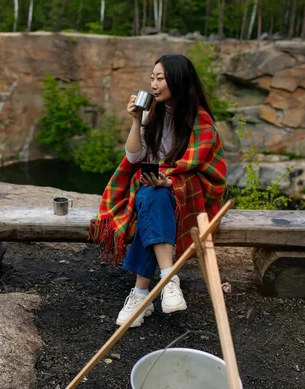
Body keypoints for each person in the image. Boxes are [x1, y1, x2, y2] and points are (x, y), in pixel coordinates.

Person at [88, 54, 227, 328]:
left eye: (160, 79)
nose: (154, 84)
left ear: (177, 80)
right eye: (152, 78)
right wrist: (136, 119)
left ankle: (141, 293)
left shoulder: (200, 121)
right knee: (153, 195)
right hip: (154, 186)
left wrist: (171, 182)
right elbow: (134, 156)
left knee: (152, 200)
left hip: (190, 194)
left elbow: (204, 171)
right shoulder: (152, 114)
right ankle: (168, 278)